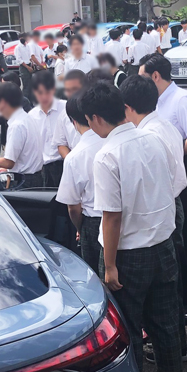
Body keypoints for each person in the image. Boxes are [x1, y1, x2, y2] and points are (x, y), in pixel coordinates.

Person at [84, 80, 185, 372]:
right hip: (163, 245)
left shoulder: (107, 155)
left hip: (127, 254)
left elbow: (111, 216)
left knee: (127, 330)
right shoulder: (154, 138)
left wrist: (109, 266)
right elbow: (172, 186)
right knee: (166, 324)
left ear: (96, 118)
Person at [121, 75, 187, 365]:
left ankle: (173, 347)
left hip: (163, 208)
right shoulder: (164, 125)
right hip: (172, 204)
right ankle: (177, 345)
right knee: (169, 284)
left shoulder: (149, 135)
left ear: (127, 107)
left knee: (164, 288)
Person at [140, 53, 187, 325]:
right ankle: (182, 299)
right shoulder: (156, 102)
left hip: (185, 170)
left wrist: (167, 152)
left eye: (143, 76)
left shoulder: (182, 100)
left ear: (156, 76)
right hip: (167, 172)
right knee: (175, 243)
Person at [56, 96, 105, 275]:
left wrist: (80, 228)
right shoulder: (112, 141)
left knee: (96, 278)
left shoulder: (75, 157)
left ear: (73, 121)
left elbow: (73, 207)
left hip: (92, 223)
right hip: (125, 219)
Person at [28, 71, 67, 187]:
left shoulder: (65, 109)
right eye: (40, 93)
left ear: (54, 90)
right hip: (43, 168)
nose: (44, 97)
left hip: (64, 163)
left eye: (48, 92)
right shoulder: (31, 116)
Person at [56, 70, 86, 159]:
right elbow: (61, 144)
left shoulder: (95, 110)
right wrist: (71, 159)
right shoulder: (63, 115)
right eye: (68, 90)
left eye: (75, 89)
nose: (71, 93)